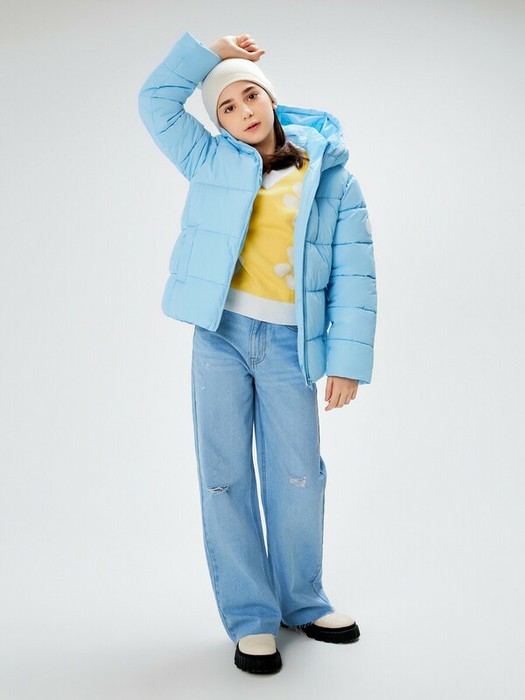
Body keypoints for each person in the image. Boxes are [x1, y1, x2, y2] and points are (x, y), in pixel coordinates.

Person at [138, 30, 377, 675]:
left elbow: (356, 271)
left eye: (251, 95)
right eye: (227, 106)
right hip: (220, 338)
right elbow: (155, 101)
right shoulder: (208, 159)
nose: (243, 111)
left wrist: (347, 361)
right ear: (217, 121)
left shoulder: (330, 175)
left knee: (298, 473)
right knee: (224, 477)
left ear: (272, 98)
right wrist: (212, 54)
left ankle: (303, 600)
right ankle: (251, 617)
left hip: (291, 345)